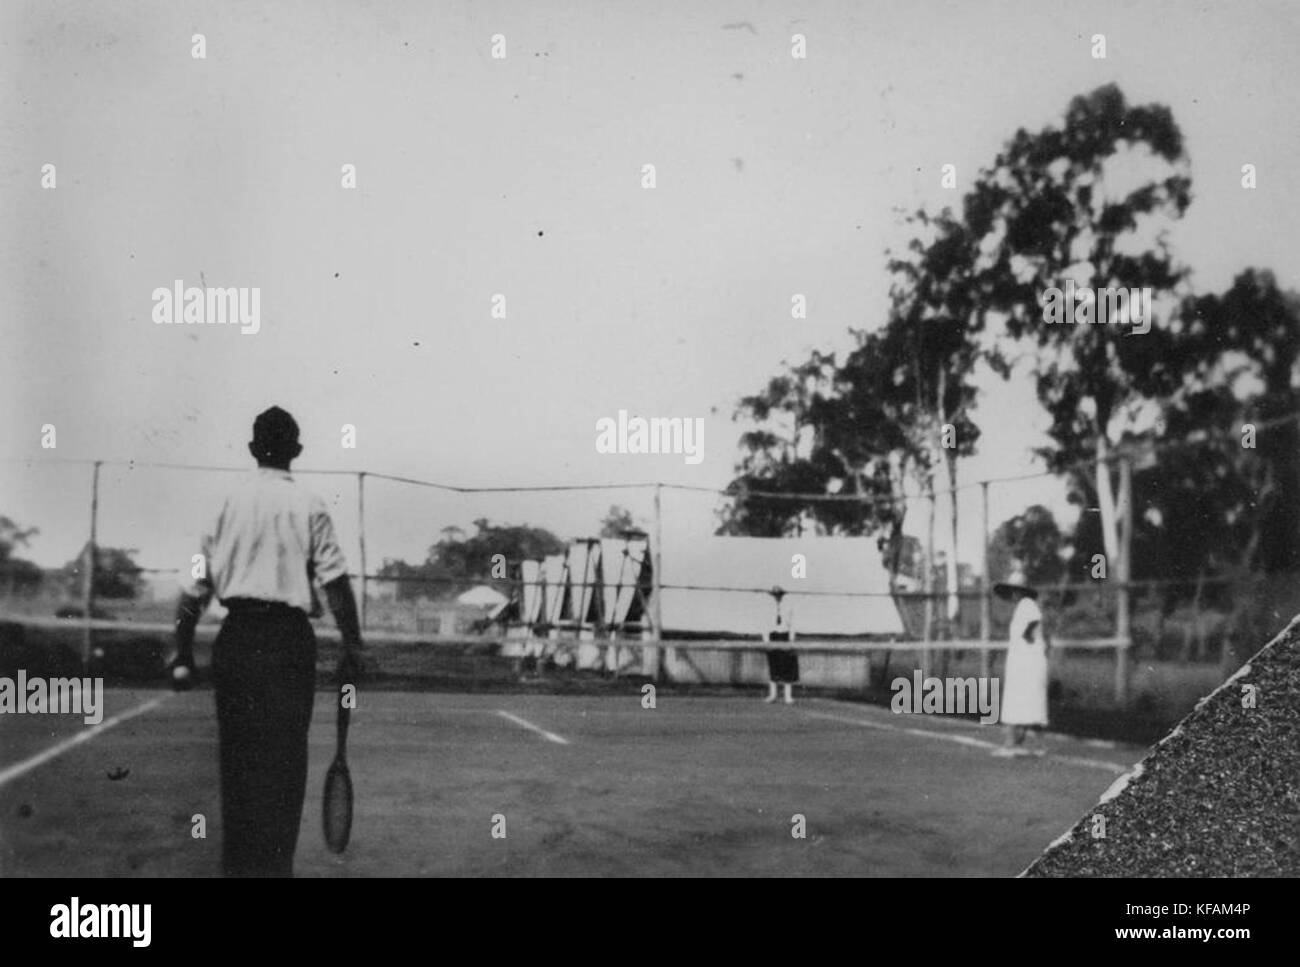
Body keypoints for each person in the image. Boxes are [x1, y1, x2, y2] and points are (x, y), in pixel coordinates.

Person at [169, 406, 366, 876]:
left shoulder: (225, 504)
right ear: (296, 451)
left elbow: (193, 589)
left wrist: (181, 650)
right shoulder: (311, 505)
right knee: (283, 768)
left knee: (238, 766)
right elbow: (336, 583)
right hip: (287, 645)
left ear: (253, 449)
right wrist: (353, 646)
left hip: (237, 641)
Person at [992, 569, 1050, 757]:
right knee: (1029, 704)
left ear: (1021, 592)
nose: (1013, 595)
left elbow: (1035, 620)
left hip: (1027, 662)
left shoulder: (1027, 604)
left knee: (1017, 702)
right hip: (1025, 661)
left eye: (1015, 591)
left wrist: (1027, 634)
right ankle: (1028, 744)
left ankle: (1011, 744)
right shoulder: (1025, 605)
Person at [763, 586, 797, 704]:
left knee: (788, 666)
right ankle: (773, 695)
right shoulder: (767, 608)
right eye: (775, 594)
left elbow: (792, 624)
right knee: (774, 665)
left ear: (782, 595)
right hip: (773, 636)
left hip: (785, 636)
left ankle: (788, 696)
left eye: (779, 595)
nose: (777, 597)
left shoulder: (788, 607)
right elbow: (765, 624)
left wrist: (791, 640)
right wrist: (766, 640)